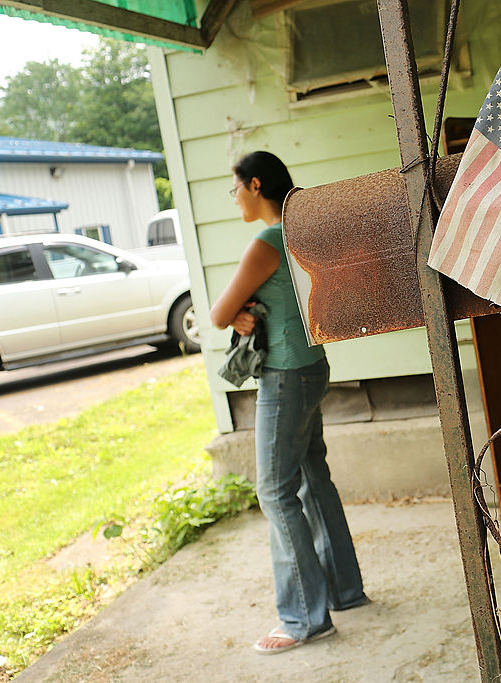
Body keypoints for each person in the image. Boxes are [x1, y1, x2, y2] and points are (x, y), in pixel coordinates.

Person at [210, 151, 369, 655]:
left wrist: (236, 313)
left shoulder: (266, 241)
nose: (234, 197)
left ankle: (304, 618)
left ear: (255, 185)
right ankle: (344, 590)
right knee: (312, 478)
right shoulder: (300, 232)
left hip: (284, 373)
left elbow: (216, 314)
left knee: (275, 492)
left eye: (235, 188)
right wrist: (244, 313)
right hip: (312, 363)